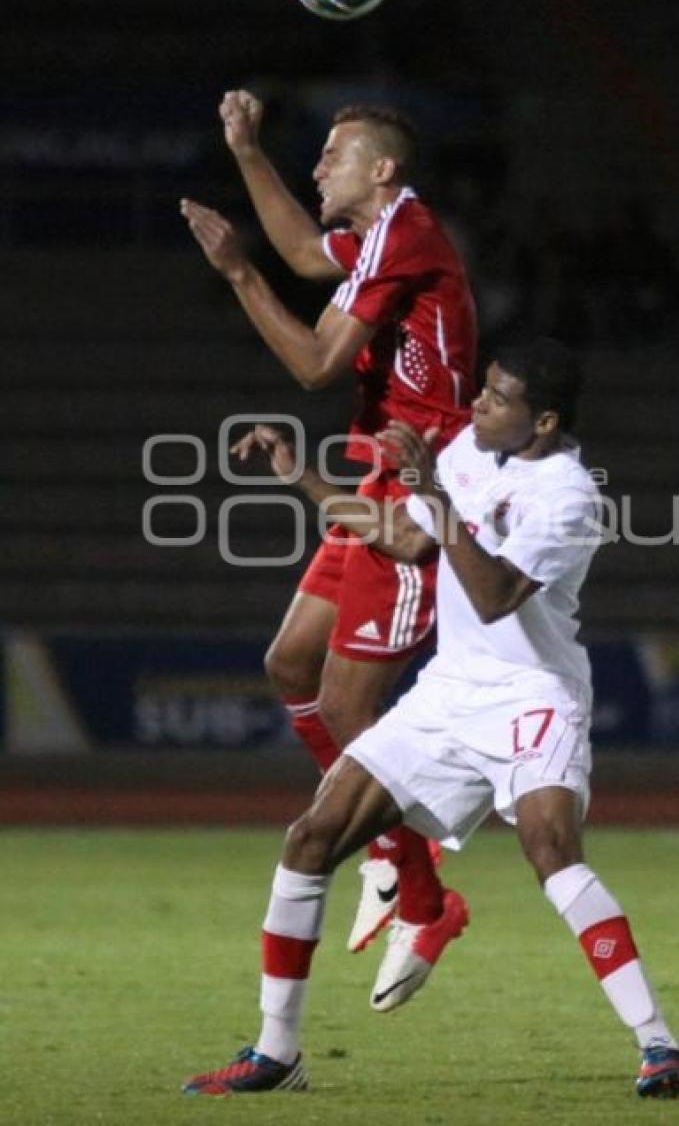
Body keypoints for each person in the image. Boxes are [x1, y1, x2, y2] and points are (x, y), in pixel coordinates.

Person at [181, 338, 679, 1101]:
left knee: (551, 848)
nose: (478, 405)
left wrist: (439, 491)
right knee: (311, 838)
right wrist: (298, 472)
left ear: (544, 421)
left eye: (498, 399)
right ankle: (276, 1051)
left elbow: (495, 595)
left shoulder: (568, 494)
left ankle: (661, 1045)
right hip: (450, 692)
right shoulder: (465, 450)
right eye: (484, 390)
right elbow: (404, 537)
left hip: (534, 694)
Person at [180, 95, 478, 982]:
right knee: (288, 664)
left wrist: (238, 274)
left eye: (333, 156)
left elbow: (314, 365)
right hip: (381, 477)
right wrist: (246, 151)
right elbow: (310, 254)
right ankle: (399, 859)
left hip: (427, 493)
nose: (317, 170)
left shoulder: (407, 230)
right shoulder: (382, 240)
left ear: (381, 171)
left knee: (351, 709)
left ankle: (425, 895)